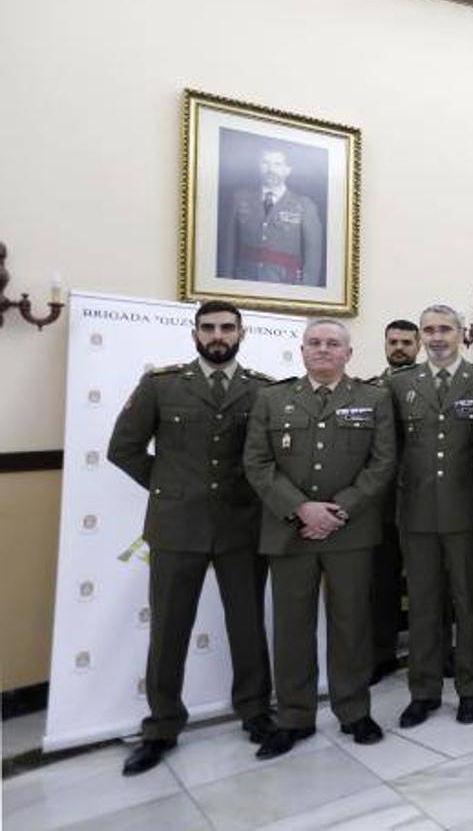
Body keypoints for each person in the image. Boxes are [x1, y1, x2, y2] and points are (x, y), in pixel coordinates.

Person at [107, 300, 276, 776]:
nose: (217, 335)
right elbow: (123, 448)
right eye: (208, 328)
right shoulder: (162, 385)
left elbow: (265, 457)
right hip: (175, 527)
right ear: (195, 333)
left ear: (242, 333)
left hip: (241, 527)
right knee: (168, 631)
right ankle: (161, 725)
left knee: (247, 625)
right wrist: (169, 489)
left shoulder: (261, 390)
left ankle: (256, 711)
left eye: (226, 327)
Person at [243, 318, 397, 758]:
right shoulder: (271, 399)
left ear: (348, 353)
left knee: (351, 624)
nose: (323, 350)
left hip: (350, 531)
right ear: (302, 350)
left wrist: (338, 510)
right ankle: (294, 716)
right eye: (315, 343)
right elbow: (257, 463)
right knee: (292, 627)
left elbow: (382, 463)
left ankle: (354, 711)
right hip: (290, 530)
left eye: (333, 344)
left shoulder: (374, 398)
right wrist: (302, 508)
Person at [386, 306, 473, 728]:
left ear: (462, 334)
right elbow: (390, 452)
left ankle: (470, 690)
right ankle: (424, 691)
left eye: (445, 329)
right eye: (429, 330)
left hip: (468, 513)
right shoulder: (398, 384)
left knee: (470, 605)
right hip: (415, 514)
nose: (437, 337)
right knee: (422, 607)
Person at [370, 318, 420, 684]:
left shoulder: (433, 386)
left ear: (418, 345)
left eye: (406, 341)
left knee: (432, 583)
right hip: (382, 504)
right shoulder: (370, 390)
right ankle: (380, 653)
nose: (399, 347)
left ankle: (436, 652)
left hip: (424, 499)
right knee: (380, 582)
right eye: (393, 341)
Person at [218, 149, 324, 287]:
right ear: (258, 167)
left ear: (288, 170)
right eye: (265, 163)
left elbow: (313, 259)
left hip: (284, 285)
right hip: (243, 283)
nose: (271, 169)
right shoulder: (239, 199)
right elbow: (227, 249)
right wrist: (226, 285)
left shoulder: (304, 205)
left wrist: (307, 291)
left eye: (277, 164)